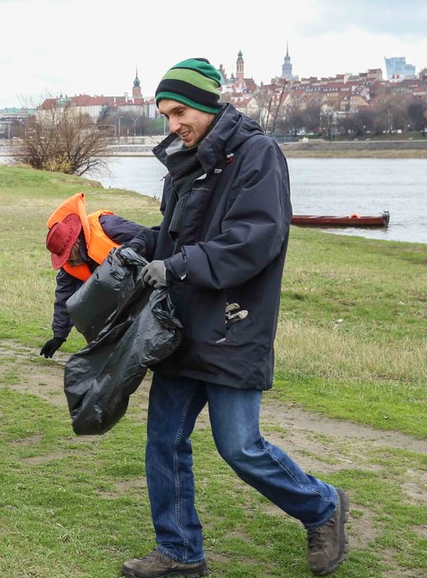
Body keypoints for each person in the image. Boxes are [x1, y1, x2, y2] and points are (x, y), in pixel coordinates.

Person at [118, 59, 349, 577]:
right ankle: (179, 552)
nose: (173, 125)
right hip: (179, 325)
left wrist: (173, 264)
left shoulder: (258, 154)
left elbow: (255, 240)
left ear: (208, 104)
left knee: (240, 447)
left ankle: (323, 506)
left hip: (233, 324)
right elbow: (176, 234)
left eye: (179, 112)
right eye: (165, 116)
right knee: (164, 440)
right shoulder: (186, 159)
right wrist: (138, 245)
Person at [39, 192, 145, 358]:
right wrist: (58, 336)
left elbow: (150, 238)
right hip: (117, 295)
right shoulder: (70, 265)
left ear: (76, 243)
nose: (68, 262)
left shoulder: (108, 226)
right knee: (83, 306)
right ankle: (109, 350)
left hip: (146, 280)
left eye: (67, 256)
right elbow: (64, 298)